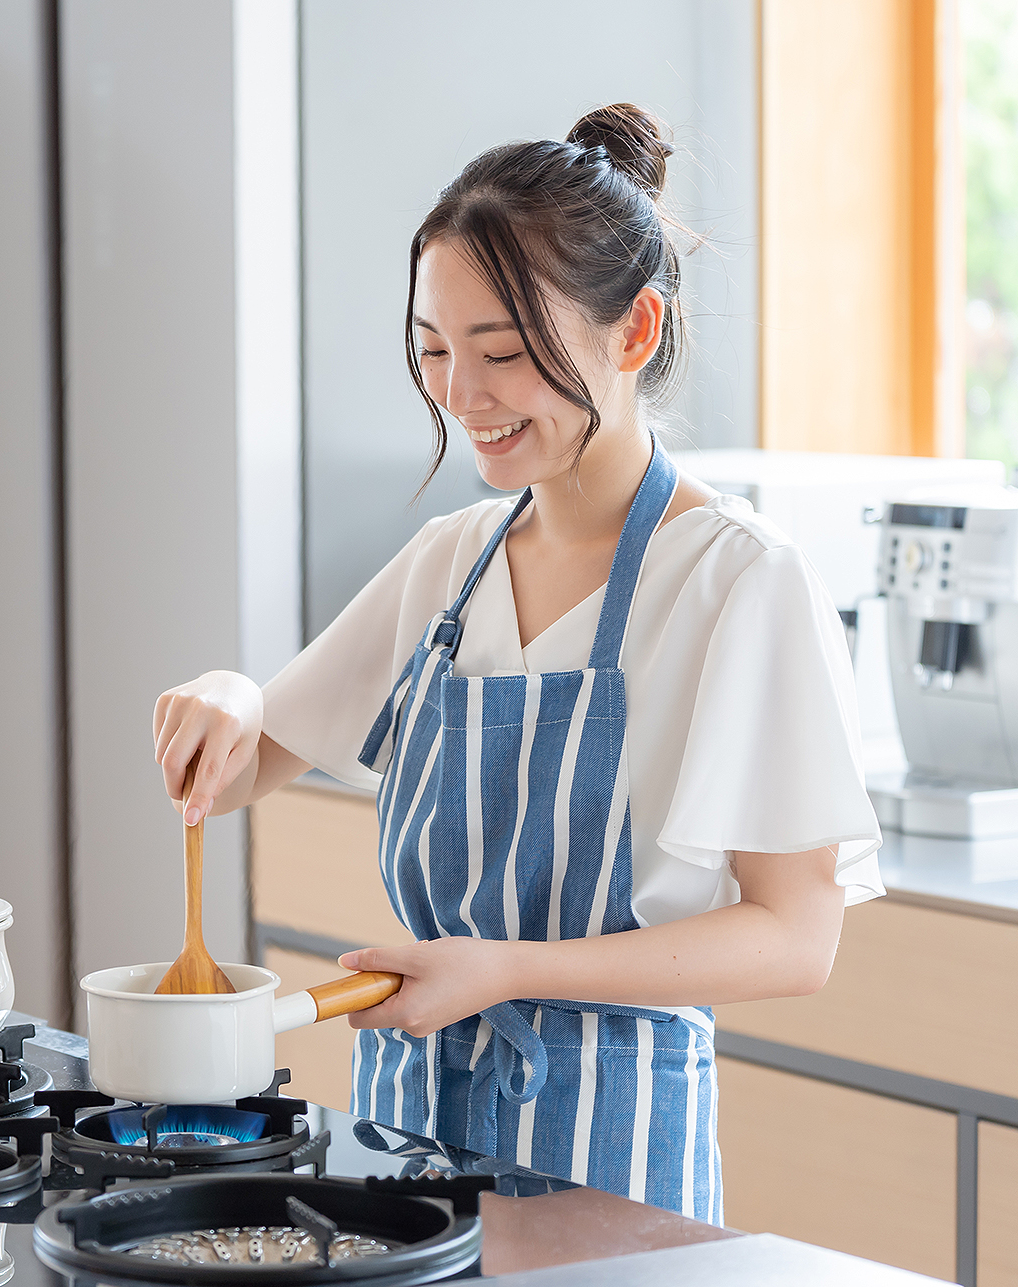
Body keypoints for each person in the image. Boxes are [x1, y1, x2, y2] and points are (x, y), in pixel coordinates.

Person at [150, 104, 880, 1223]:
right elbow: (252, 760)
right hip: (403, 1152)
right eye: (433, 350)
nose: (458, 395)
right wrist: (227, 696)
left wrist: (508, 969)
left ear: (632, 331)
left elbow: (795, 938)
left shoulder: (736, 581)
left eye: (499, 353)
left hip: (611, 1164)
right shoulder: (449, 562)